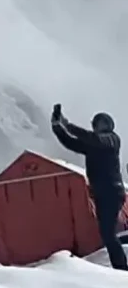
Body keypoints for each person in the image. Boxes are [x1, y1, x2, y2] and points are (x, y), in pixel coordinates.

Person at [52, 103, 128, 270]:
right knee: (106, 234)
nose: (100, 127)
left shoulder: (112, 139)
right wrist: (57, 127)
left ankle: (122, 269)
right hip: (101, 193)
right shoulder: (94, 145)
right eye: (98, 123)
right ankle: (120, 267)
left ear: (110, 126)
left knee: (108, 233)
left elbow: (89, 138)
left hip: (112, 192)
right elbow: (71, 143)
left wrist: (67, 124)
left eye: (103, 123)